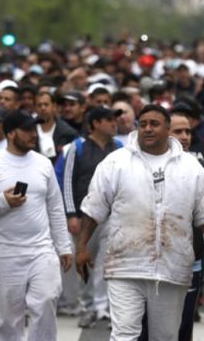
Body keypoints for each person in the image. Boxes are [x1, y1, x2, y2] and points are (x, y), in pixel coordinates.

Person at [75, 104, 204, 340]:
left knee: (165, 336)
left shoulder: (192, 169)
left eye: (155, 124)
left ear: (168, 129)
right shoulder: (115, 162)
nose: (148, 129)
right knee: (124, 335)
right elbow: (94, 206)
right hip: (125, 266)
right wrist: (81, 246)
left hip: (173, 268)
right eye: (143, 124)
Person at [0, 109, 73, 341]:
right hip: (3, 253)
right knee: (7, 319)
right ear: (12, 133)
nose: (33, 134)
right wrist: (2, 202)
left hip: (41, 250)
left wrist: (63, 246)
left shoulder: (43, 164)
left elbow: (55, 207)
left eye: (34, 128)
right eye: (27, 130)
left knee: (46, 301)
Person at [62, 105, 123, 328]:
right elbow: (67, 182)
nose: (114, 123)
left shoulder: (119, 147)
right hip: (83, 216)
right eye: (108, 119)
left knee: (107, 264)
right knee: (83, 262)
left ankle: (103, 308)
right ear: (95, 123)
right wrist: (71, 214)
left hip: (110, 217)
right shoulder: (76, 147)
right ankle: (86, 307)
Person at [35, 91, 77, 161]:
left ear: (54, 106)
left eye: (46, 104)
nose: (43, 108)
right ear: (35, 108)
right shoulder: (28, 130)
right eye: (39, 105)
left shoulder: (67, 132)